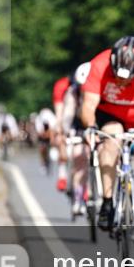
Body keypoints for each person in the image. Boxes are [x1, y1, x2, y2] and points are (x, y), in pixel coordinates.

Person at [80, 36, 134, 252]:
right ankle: (108, 202)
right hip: (111, 115)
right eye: (118, 77)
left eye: (128, 79)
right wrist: (90, 128)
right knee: (111, 142)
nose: (122, 83)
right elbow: (89, 105)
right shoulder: (99, 64)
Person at [54, 63, 91, 214]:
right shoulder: (72, 92)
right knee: (78, 157)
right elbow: (67, 116)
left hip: (95, 124)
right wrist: (64, 132)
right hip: (77, 126)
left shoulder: (100, 91)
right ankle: (78, 194)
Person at [34, 106, 58, 177]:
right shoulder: (39, 119)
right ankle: (43, 163)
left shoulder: (52, 119)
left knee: (54, 143)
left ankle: (50, 160)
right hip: (43, 135)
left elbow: (53, 130)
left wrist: (52, 139)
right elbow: (39, 132)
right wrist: (44, 135)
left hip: (52, 134)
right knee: (42, 148)